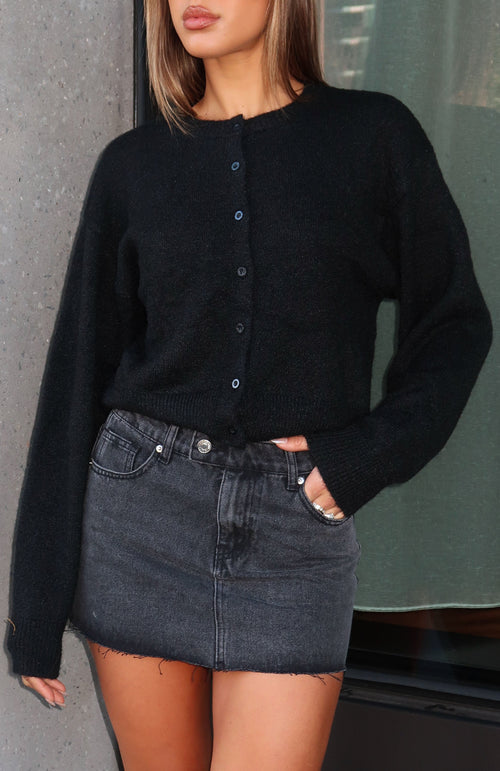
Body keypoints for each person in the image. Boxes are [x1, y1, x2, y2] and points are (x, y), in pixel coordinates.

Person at [7, 1, 492, 769]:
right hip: (141, 519)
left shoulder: (373, 138)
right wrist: (37, 604)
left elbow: (456, 325)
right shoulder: (134, 166)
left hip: (293, 532)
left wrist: (360, 458)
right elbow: (77, 374)